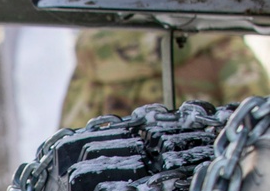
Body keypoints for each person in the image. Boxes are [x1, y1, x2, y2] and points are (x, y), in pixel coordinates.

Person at [60, 27, 269, 130]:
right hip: (199, 188)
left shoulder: (93, 58)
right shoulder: (224, 49)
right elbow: (257, 125)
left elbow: (71, 135)